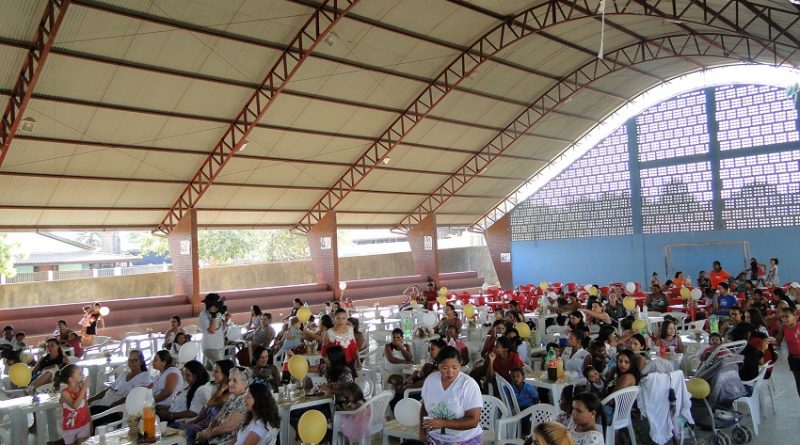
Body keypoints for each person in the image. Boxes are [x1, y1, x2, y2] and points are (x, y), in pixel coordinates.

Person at [419, 346, 482, 445]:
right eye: (445, 367)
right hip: (435, 438)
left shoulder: (468, 385)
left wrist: (443, 423)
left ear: (460, 365)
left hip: (464, 440)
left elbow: (473, 421)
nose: (450, 372)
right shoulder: (431, 380)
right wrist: (422, 431)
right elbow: (424, 406)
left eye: (455, 367)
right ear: (438, 365)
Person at [90, 350, 152, 423]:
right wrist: (90, 399)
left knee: (90, 412)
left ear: (141, 362)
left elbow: (134, 396)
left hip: (118, 410)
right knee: (86, 411)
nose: (132, 363)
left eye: (135, 360)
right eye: (130, 360)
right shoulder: (124, 374)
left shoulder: (144, 377)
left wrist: (114, 405)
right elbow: (109, 389)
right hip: (106, 405)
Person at [180, 359, 235, 444]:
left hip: (213, 430)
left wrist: (222, 388)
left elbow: (210, 403)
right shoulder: (217, 390)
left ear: (225, 374)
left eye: (216, 371)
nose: (213, 374)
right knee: (182, 428)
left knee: (187, 432)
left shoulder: (229, 395)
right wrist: (192, 422)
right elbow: (205, 410)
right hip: (205, 424)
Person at [197, 367, 250, 445]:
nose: (230, 383)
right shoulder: (232, 397)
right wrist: (209, 428)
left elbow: (229, 426)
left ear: (245, 383)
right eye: (230, 380)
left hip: (226, 441)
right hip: (215, 438)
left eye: (235, 381)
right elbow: (217, 418)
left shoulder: (245, 400)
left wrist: (209, 433)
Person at [159, 360, 210, 425]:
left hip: (180, 423)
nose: (185, 378)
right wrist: (167, 408)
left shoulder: (201, 390)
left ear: (196, 375)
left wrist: (170, 415)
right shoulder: (187, 386)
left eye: (188, 375)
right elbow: (182, 405)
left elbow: (193, 413)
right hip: (172, 418)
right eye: (184, 375)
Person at [55, 364, 91, 445]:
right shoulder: (65, 393)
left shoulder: (81, 389)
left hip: (84, 424)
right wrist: (84, 388)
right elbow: (75, 406)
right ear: (71, 379)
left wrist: (90, 421)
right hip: (69, 427)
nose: (83, 375)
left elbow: (86, 406)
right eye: (80, 374)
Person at [775, 307, 800, 398]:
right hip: (793, 358)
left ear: (795, 317)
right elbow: (778, 342)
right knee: (798, 382)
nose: (784, 319)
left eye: (787, 316)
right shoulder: (784, 328)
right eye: (783, 317)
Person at [200, 293, 225, 370]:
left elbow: (221, 327)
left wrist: (226, 320)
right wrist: (214, 315)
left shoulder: (218, 313)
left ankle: (203, 380)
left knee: (210, 369)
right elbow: (212, 330)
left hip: (219, 345)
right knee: (221, 369)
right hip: (210, 347)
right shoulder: (204, 315)